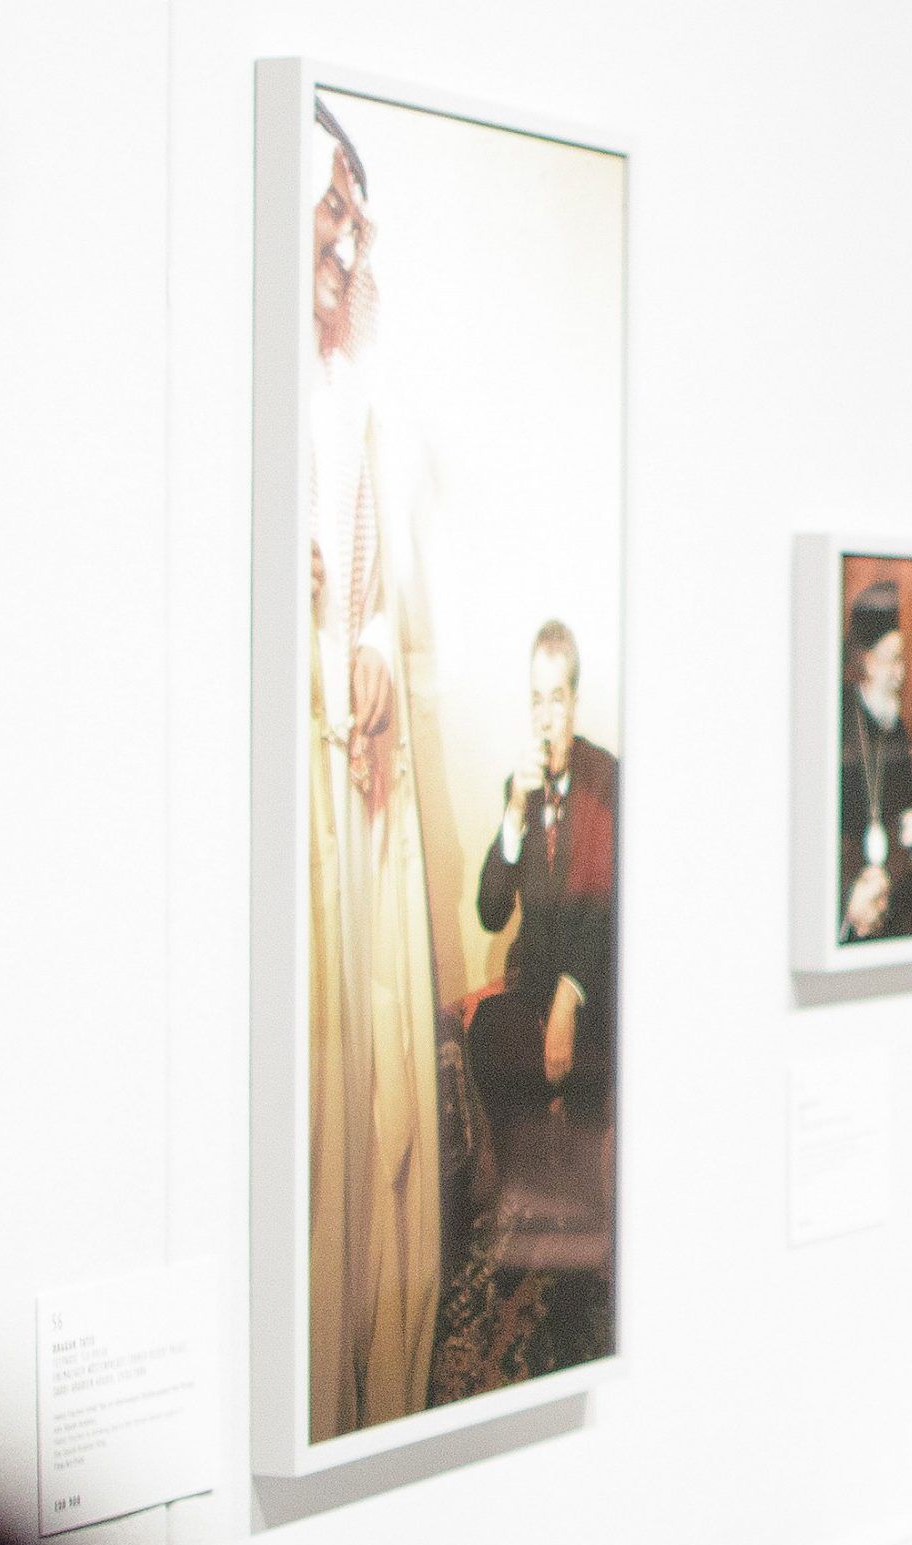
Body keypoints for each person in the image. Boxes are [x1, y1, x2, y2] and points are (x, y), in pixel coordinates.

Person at [302, 98, 444, 1440]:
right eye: (324, 206)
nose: (341, 237)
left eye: (354, 210)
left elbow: (375, 563)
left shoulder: (357, 390)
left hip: (363, 768)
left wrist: (366, 635)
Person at [466, 617, 618, 1145]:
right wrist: (512, 813)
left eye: (556, 699)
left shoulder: (605, 777)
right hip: (533, 993)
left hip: (590, 993)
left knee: (599, 1073)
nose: (546, 718)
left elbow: (603, 905)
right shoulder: (520, 787)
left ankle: (574, 1173)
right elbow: (491, 914)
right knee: (485, 1031)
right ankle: (527, 1186)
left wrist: (569, 998)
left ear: (574, 702)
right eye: (536, 702)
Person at [838, 581, 912, 940]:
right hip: (849, 900)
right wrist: (851, 893)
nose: (900, 674)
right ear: (868, 662)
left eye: (902, 661)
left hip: (890, 897)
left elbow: (904, 813)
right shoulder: (839, 719)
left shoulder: (897, 729)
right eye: (894, 660)